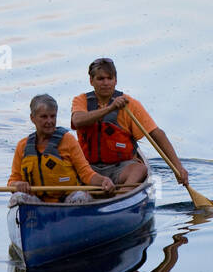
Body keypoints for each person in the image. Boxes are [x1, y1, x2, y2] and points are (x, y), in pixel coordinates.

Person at [71, 56, 190, 191]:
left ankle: (120, 195)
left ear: (115, 81)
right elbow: (78, 121)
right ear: (91, 81)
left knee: (140, 169)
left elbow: (156, 133)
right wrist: (110, 108)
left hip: (121, 167)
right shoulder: (81, 100)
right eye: (100, 79)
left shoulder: (130, 104)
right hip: (88, 168)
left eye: (109, 78)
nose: (106, 83)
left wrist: (178, 168)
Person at [8, 94, 116, 204]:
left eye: (53, 116)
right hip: (37, 202)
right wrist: (17, 184)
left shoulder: (68, 140)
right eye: (44, 117)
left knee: (81, 197)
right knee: (17, 197)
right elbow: (13, 180)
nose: (49, 121)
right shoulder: (22, 146)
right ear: (32, 118)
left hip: (67, 199)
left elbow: (86, 173)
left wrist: (103, 181)